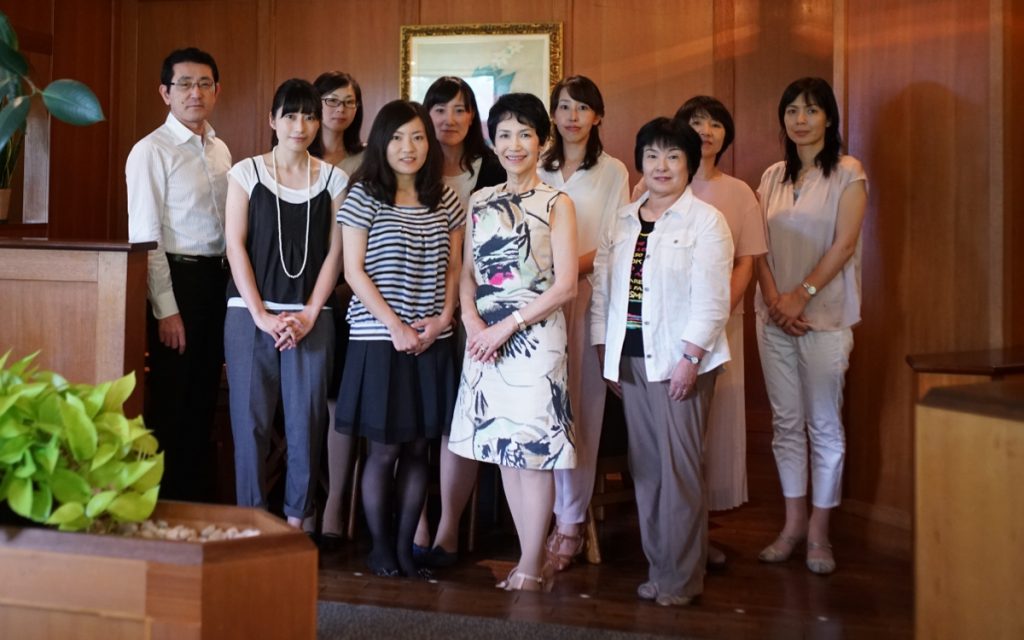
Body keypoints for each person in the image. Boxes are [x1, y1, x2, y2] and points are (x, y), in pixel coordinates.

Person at [591, 117, 732, 606]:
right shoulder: (622, 220)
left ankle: (681, 578)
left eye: (673, 155)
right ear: (640, 162)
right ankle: (659, 568)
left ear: (690, 163)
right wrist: (603, 350)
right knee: (647, 469)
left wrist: (691, 357)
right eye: (652, 155)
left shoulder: (706, 221)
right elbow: (603, 291)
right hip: (631, 360)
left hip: (680, 362)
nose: (662, 165)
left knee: (680, 473)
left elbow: (712, 301)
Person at [448, 93, 578, 592]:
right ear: (492, 140)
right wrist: (471, 321)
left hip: (535, 337)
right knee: (505, 450)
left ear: (542, 141)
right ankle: (531, 562)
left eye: (525, 134)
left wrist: (507, 326)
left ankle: (529, 564)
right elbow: (467, 272)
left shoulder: (557, 203)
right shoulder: (480, 199)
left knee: (534, 451)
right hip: (484, 337)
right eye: (504, 134)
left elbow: (565, 286)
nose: (514, 144)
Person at [334, 100, 463, 579]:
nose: (408, 147)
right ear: (380, 143)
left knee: (417, 449)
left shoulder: (445, 198)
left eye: (417, 137)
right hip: (378, 339)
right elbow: (353, 271)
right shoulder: (364, 196)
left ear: (429, 144)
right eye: (396, 138)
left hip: (432, 338)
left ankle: (408, 549)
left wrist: (443, 318)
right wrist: (395, 325)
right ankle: (381, 549)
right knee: (384, 450)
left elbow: (455, 267)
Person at [754, 77, 867, 576]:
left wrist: (800, 296)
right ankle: (793, 525)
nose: (800, 119)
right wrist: (775, 300)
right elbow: (757, 246)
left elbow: (844, 245)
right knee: (785, 424)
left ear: (829, 118)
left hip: (825, 317)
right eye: (792, 110)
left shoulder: (848, 172)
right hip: (773, 317)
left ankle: (820, 532)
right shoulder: (771, 176)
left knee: (824, 424)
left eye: (811, 110)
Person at [223, 78, 346, 528]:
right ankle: (252, 523)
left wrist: (309, 314)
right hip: (248, 315)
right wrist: (261, 315)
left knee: (306, 424)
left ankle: (297, 525)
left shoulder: (334, 179)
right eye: (290, 115)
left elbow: (337, 254)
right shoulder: (246, 173)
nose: (300, 125)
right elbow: (234, 245)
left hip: (312, 317)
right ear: (272, 120)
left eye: (309, 116)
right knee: (250, 424)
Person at [126, 47, 231, 502]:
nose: (195, 93)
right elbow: (146, 239)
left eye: (204, 83)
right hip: (177, 282)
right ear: (165, 92)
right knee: (173, 400)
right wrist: (166, 310)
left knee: (204, 396)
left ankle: (195, 503)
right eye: (184, 84)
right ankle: (161, 504)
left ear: (217, 91)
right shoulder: (150, 151)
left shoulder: (220, 149)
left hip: (217, 283)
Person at [536, 75, 629, 571]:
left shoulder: (612, 171)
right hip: (536, 302)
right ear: (553, 114)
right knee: (541, 408)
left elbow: (614, 241)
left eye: (582, 107)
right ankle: (537, 517)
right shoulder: (538, 164)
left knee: (581, 411)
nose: (572, 116)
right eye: (564, 107)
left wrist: (566, 271)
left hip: (588, 298)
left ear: (598, 116)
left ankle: (570, 522)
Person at [413, 75, 505, 567]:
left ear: (474, 117)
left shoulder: (493, 168)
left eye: (460, 109)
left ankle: (449, 526)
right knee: (415, 417)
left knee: (461, 418)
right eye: (440, 108)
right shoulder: (409, 165)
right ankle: (416, 524)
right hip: (416, 311)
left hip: (479, 311)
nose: (449, 119)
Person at [672, 96, 767, 566]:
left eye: (715, 124)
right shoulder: (657, 181)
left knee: (713, 429)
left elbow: (747, 262)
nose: (706, 131)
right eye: (696, 122)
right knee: (676, 429)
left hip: (721, 325)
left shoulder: (740, 192)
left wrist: (713, 317)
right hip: (667, 326)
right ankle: (675, 534)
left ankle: (700, 535)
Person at [309, 71, 366, 548]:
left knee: (336, 402)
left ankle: (334, 506)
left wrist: (350, 287)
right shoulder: (291, 156)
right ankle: (302, 501)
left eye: (348, 102)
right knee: (303, 401)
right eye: (330, 100)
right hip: (299, 298)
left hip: (351, 299)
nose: (339, 109)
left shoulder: (367, 160)